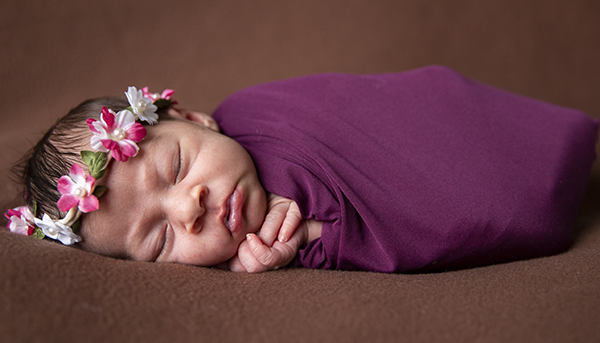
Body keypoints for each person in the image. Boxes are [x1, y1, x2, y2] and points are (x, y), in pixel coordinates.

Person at [5, 66, 598, 273]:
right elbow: (380, 225)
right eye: (160, 240)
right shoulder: (261, 246)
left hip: (453, 119)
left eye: (177, 166)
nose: (189, 208)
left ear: (192, 118)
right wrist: (307, 240)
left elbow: (369, 108)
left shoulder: (256, 107)